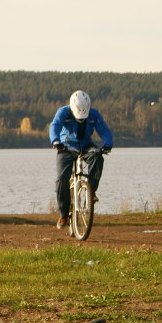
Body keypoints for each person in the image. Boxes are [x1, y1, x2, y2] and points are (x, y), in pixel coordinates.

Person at [50, 90, 113, 229]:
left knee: (97, 157)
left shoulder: (94, 114)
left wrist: (107, 144)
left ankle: (91, 191)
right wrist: (55, 141)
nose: (81, 119)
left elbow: (104, 130)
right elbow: (55, 126)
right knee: (61, 178)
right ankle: (63, 214)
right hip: (66, 146)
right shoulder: (63, 112)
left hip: (85, 146)